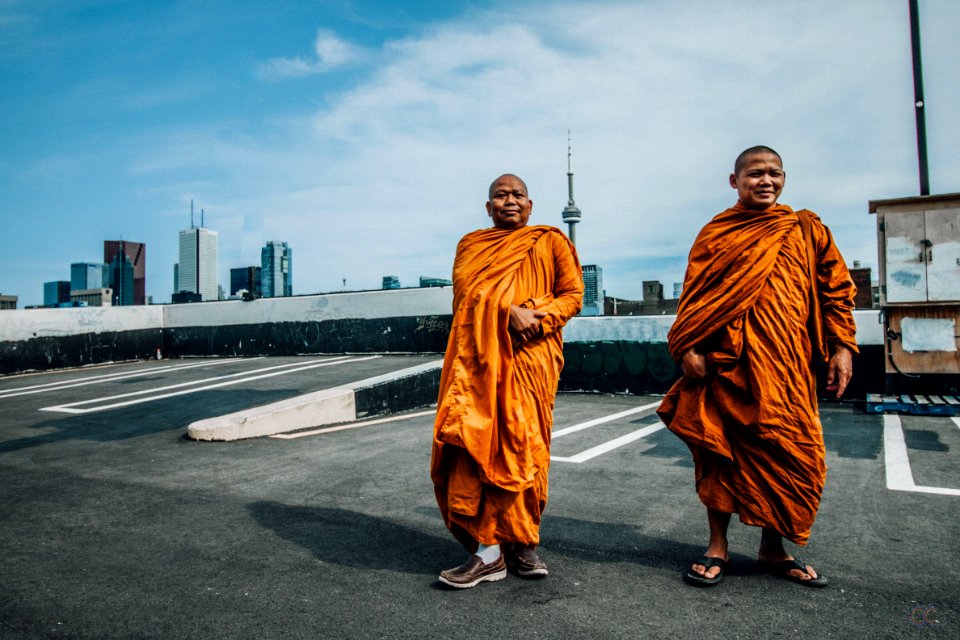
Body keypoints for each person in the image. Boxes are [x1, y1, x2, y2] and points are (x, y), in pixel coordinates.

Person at [657, 146, 858, 588]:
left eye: (774, 174)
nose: (765, 181)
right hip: (727, 367)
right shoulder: (717, 233)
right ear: (735, 181)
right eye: (755, 174)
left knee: (792, 454)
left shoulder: (805, 230)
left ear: (784, 178)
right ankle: (717, 546)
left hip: (788, 368)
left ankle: (773, 549)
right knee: (719, 453)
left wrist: (843, 345)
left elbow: (836, 291)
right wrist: (686, 346)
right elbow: (696, 296)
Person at [431, 173, 583, 589]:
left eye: (518, 195)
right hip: (480, 365)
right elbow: (466, 295)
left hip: (531, 360)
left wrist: (533, 313)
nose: (510, 200)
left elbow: (573, 295)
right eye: (501, 195)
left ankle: (521, 540)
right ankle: (487, 551)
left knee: (525, 447)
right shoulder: (472, 245)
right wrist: (505, 311)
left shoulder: (550, 241)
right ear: (488, 207)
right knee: (477, 447)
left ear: (530, 206)